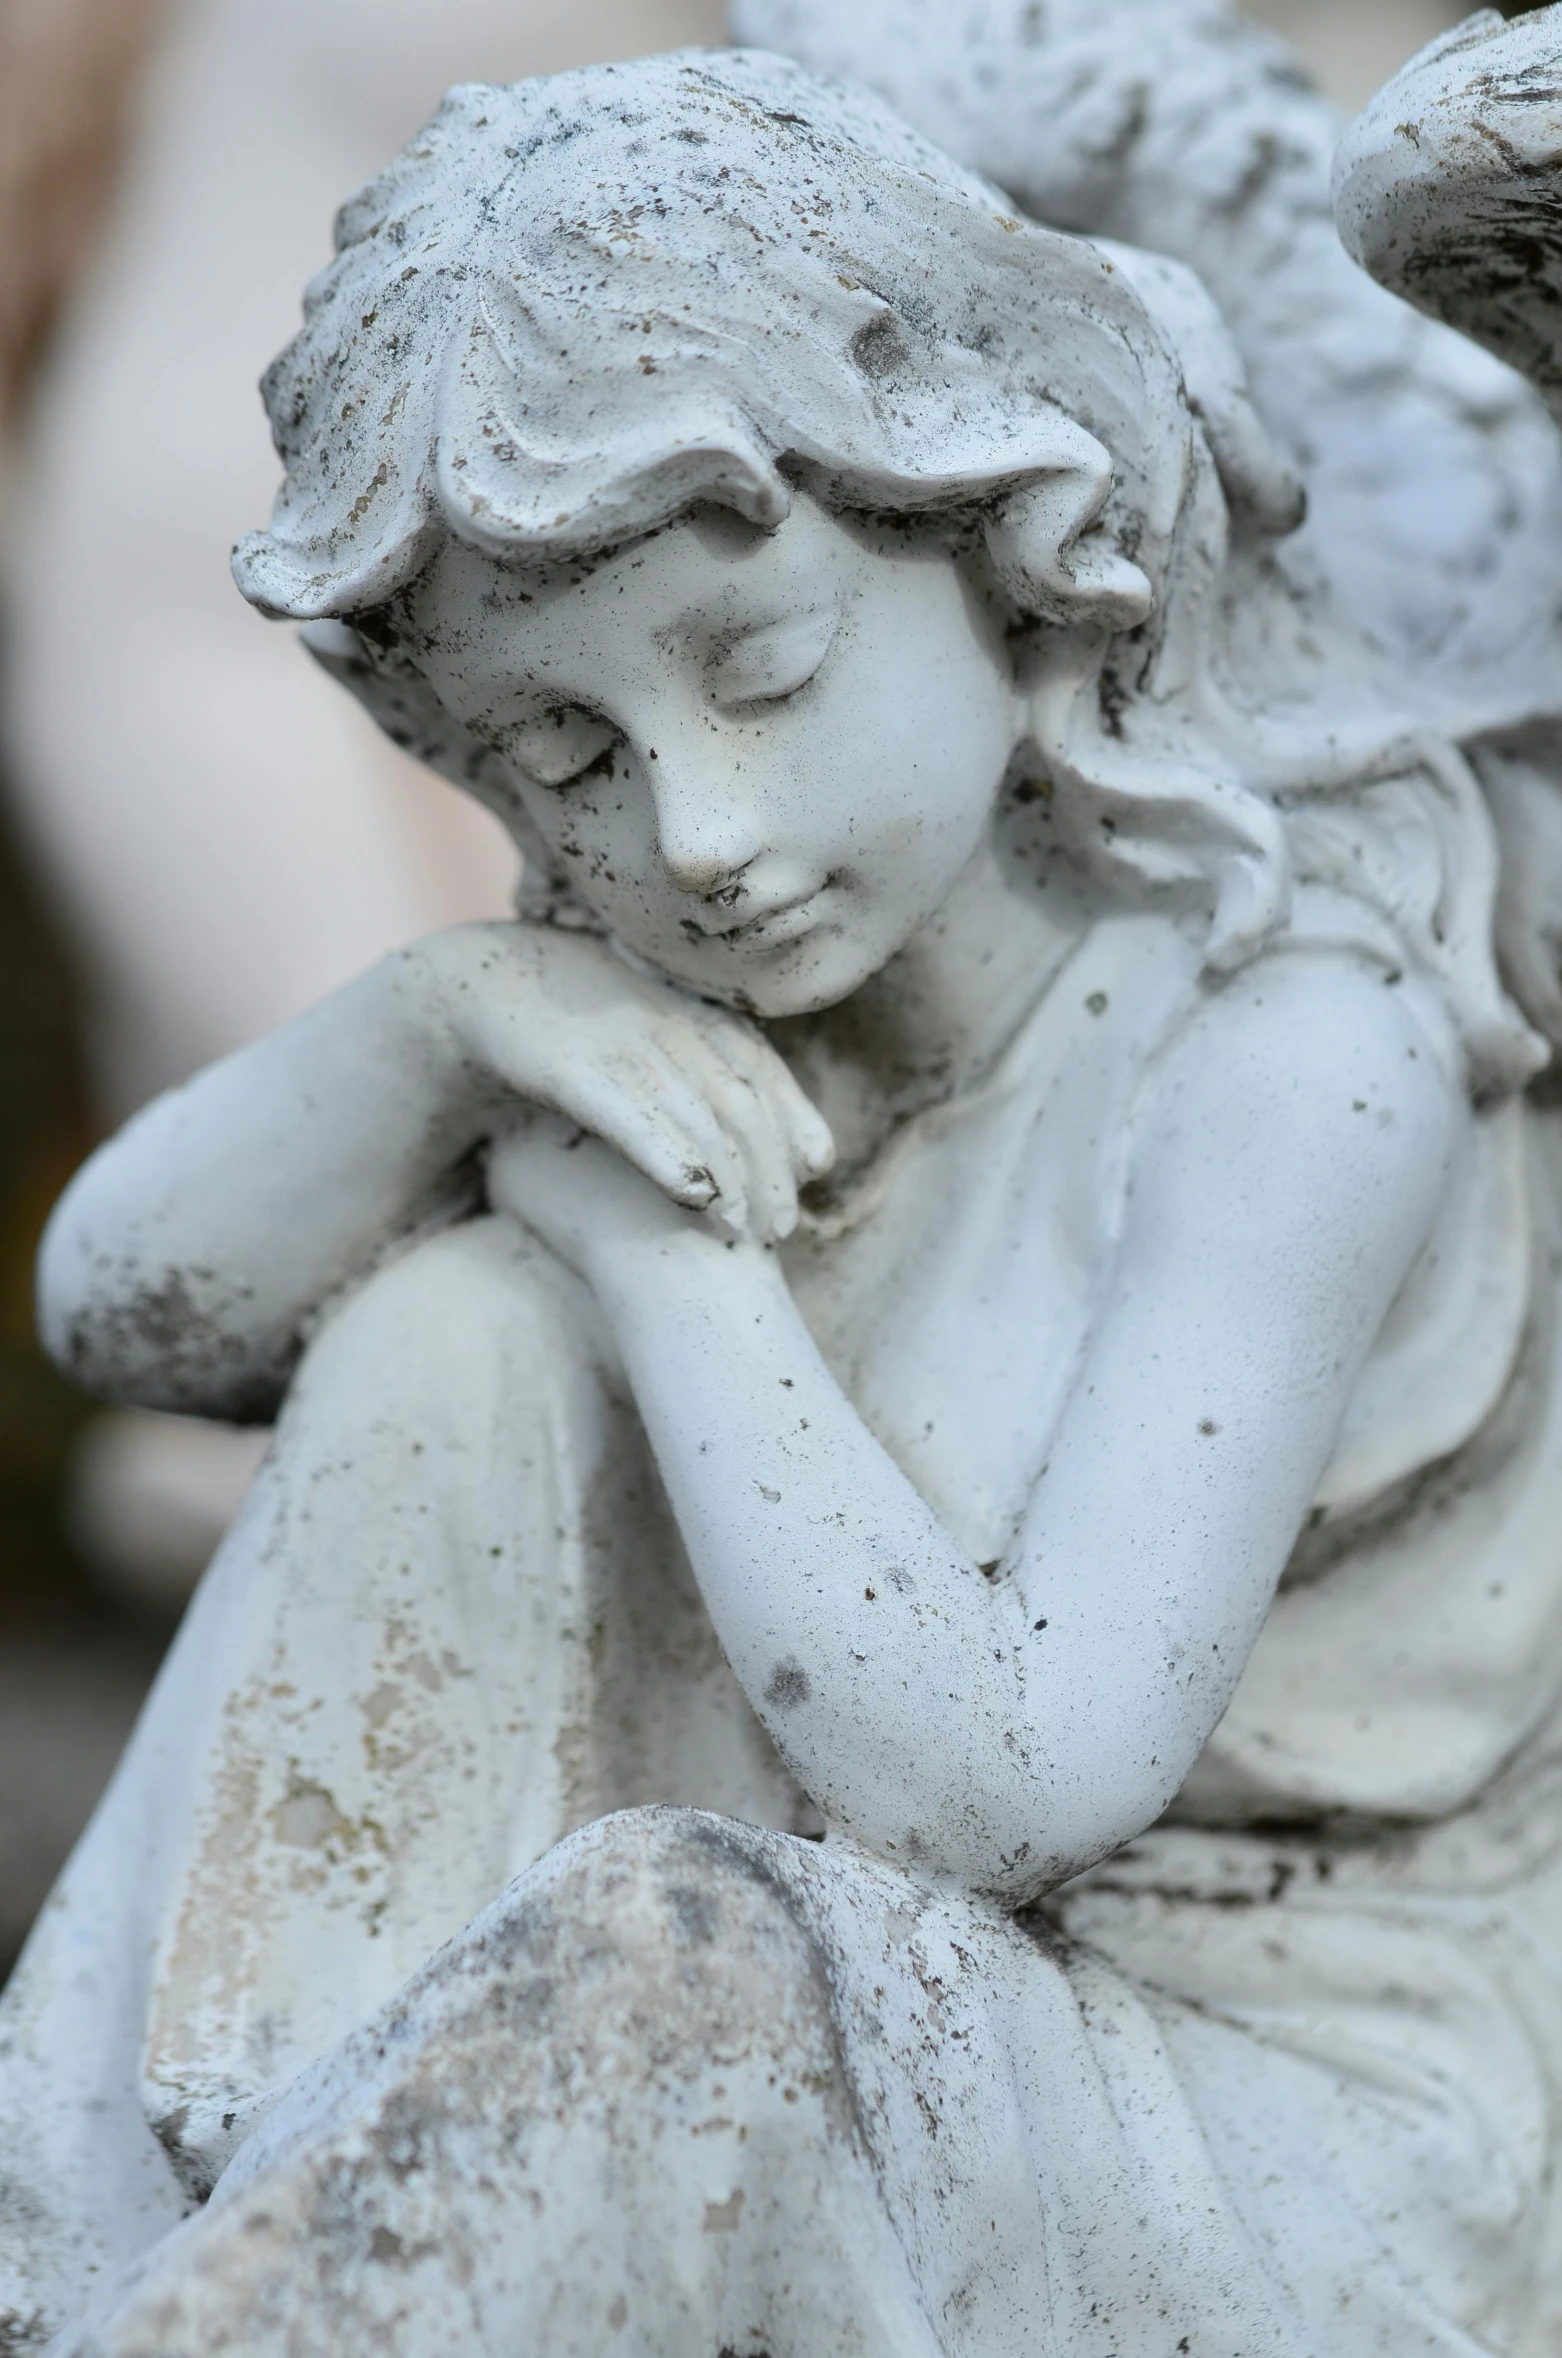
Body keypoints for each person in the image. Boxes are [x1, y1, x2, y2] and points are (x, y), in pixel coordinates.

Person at [7, 45, 1562, 2355]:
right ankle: (124, 2248)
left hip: (1281, 2105)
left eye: (763, 671)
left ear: (1019, 542)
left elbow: (1005, 1793)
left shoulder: (1294, 1034)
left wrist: (656, 1251)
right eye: (565, 757)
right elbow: (127, 1315)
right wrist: (444, 1017)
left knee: (679, 1989)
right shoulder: (657, 972)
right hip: (811, 1960)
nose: (696, 827)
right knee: (452, 1343)